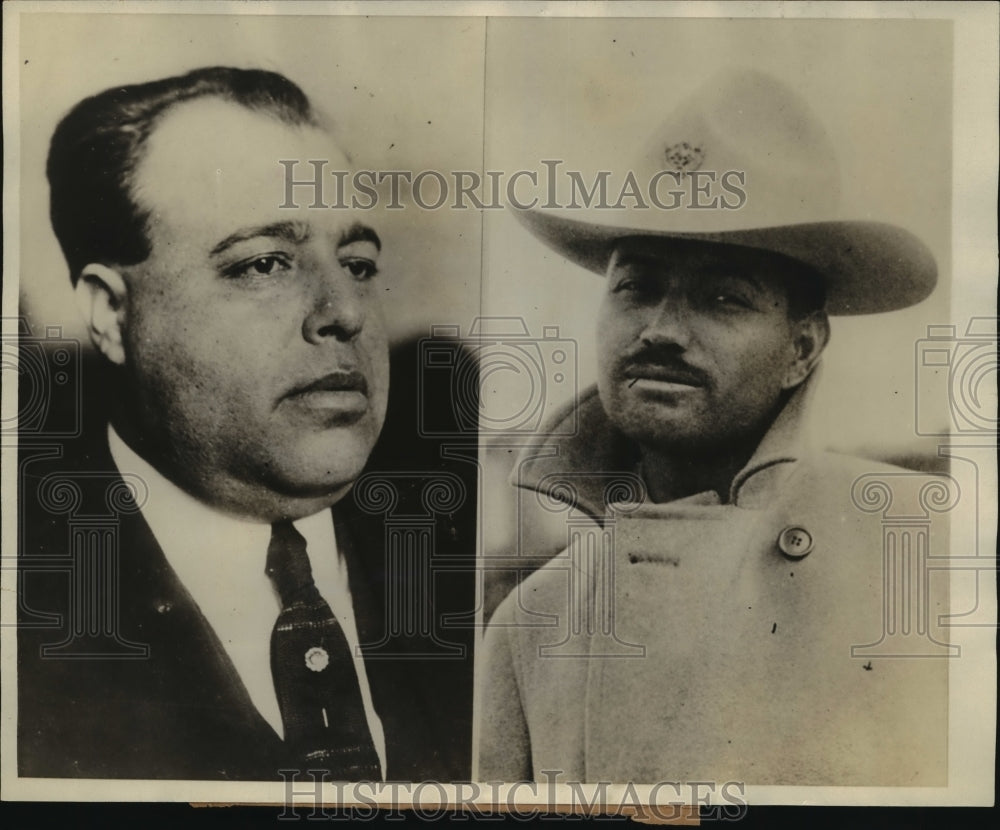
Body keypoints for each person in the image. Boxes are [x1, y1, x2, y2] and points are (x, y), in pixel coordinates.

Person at [477, 70, 949, 786]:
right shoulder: (532, 622)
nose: (662, 331)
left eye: (724, 298)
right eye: (635, 287)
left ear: (803, 349)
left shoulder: (923, 546)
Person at [18, 66, 475, 781]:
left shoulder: (476, 593)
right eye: (264, 264)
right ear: (111, 311)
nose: (344, 311)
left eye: (357, 263)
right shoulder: (28, 629)